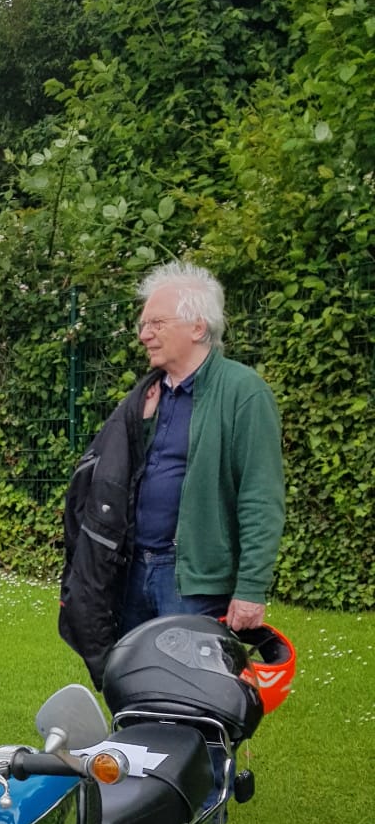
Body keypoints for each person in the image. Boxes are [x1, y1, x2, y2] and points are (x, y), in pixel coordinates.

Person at [59, 261, 285, 683]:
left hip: (191, 582)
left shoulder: (243, 392)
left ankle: (208, 754)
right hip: (129, 570)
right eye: (144, 324)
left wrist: (251, 588)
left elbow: (260, 497)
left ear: (197, 327)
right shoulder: (146, 396)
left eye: (156, 323)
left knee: (195, 698)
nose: (144, 334)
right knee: (133, 689)